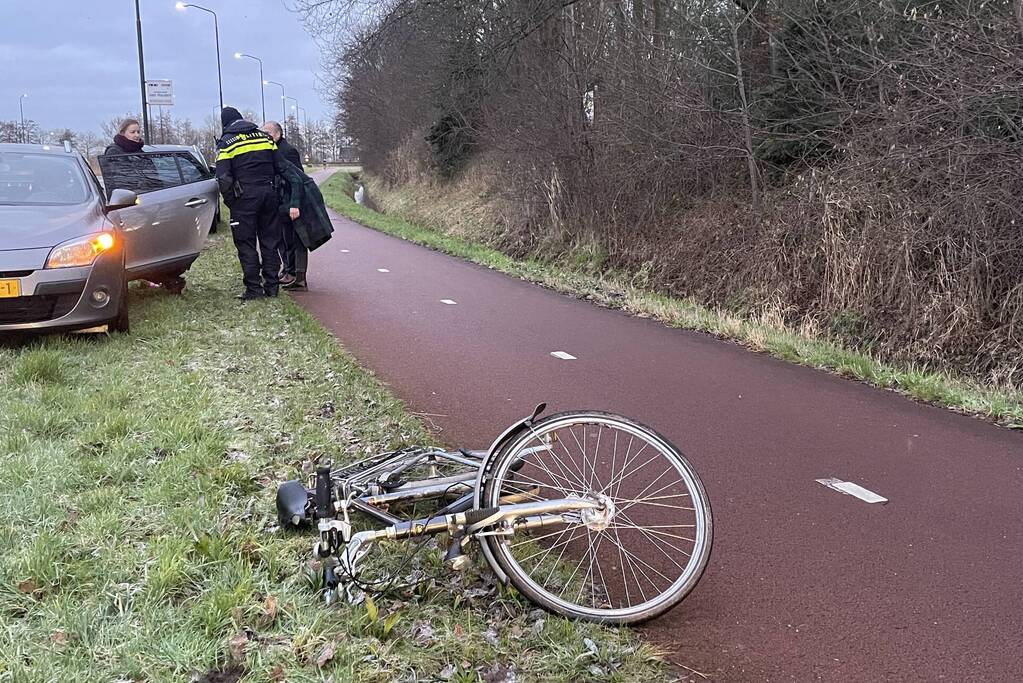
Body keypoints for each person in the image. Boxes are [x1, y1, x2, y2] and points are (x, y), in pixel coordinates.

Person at [216, 107, 304, 300]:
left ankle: (254, 289)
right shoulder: (264, 138)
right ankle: (272, 287)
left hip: (244, 197)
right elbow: (281, 166)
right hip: (269, 194)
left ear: (225, 124)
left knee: (246, 243)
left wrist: (232, 202)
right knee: (270, 241)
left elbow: (223, 177)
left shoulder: (226, 143)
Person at [261, 121, 305, 288]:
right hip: (277, 200)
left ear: (278, 134)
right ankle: (287, 270)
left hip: (287, 200)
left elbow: (297, 177)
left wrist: (295, 203)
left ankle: (292, 272)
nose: (265, 136)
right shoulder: (271, 150)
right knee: (280, 238)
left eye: (268, 133)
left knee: (290, 239)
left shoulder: (288, 151)